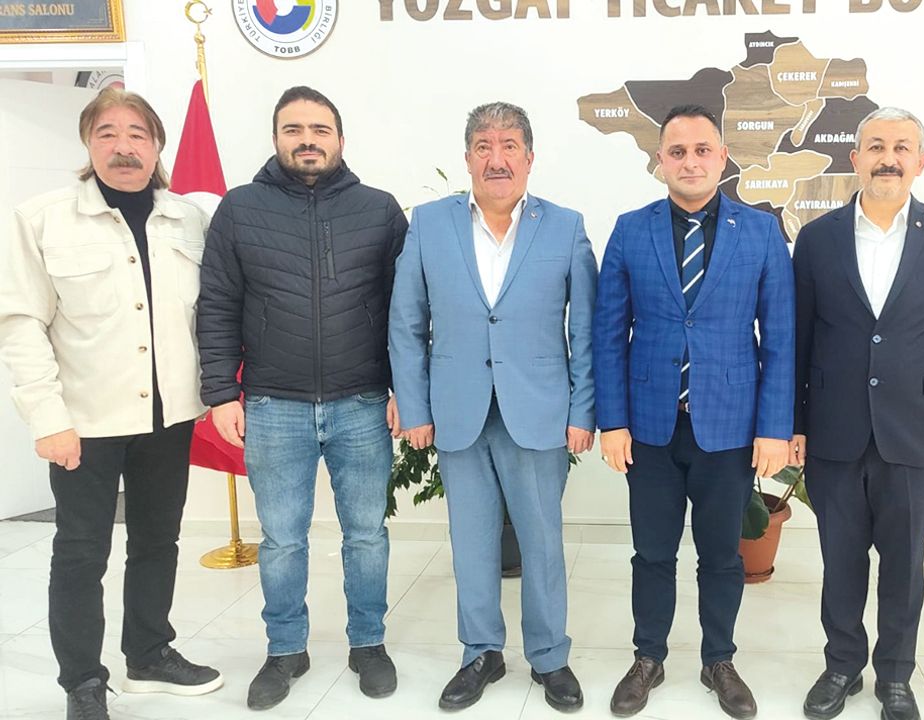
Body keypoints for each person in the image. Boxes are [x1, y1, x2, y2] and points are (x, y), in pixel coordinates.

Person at [0, 88, 222, 720]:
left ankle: (148, 653)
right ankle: (82, 681)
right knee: (81, 552)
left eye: (137, 135)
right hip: (84, 422)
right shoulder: (42, 219)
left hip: (169, 416)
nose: (124, 147)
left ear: (157, 145)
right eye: (107, 134)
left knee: (158, 540)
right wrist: (47, 419)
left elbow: (210, 312)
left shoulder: (188, 219)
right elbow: (20, 323)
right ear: (87, 142)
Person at [197, 86, 407, 710]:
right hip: (272, 404)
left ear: (340, 139)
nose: (307, 140)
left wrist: (406, 389)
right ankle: (286, 650)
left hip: (362, 403)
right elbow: (217, 304)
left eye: (320, 129)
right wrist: (220, 391)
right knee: (282, 540)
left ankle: (368, 643)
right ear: (276, 138)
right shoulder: (240, 209)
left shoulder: (379, 210)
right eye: (294, 129)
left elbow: (407, 310)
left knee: (366, 535)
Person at [389, 101, 597, 713]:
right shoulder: (429, 224)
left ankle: (549, 656)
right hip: (458, 409)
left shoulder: (565, 227)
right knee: (471, 541)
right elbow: (406, 322)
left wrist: (582, 411)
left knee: (542, 542)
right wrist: (414, 405)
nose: (496, 158)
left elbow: (585, 330)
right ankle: (481, 652)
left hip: (539, 410)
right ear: (467, 158)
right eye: (484, 145)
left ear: (529, 158)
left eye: (509, 146)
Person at [594, 104, 795, 720]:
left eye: (702, 149)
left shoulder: (759, 231)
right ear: (660, 161)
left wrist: (774, 429)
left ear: (723, 156)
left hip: (730, 425)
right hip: (649, 426)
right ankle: (648, 657)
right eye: (677, 152)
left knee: (722, 555)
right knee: (652, 552)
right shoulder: (631, 229)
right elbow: (608, 333)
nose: (690, 161)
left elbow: (780, 337)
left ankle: (719, 660)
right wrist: (612, 421)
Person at [792, 106, 924, 720]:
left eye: (902, 147)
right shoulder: (817, 238)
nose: (888, 158)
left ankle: (895, 676)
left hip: (916, 432)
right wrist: (795, 423)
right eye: (876, 146)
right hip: (834, 431)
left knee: (905, 566)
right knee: (840, 561)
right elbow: (798, 338)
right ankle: (842, 665)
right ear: (855, 159)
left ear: (920, 162)